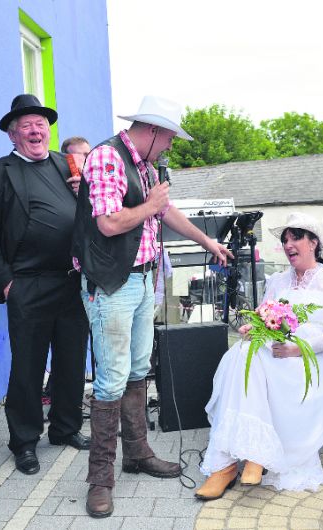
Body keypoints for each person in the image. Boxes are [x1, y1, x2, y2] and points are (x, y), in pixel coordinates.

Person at [72, 95, 233, 518]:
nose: (171, 148)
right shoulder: (107, 157)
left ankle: (138, 452)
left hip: (143, 278)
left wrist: (206, 241)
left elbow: (163, 213)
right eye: (169, 140)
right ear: (153, 132)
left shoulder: (143, 164)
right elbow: (108, 223)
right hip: (112, 282)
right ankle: (99, 480)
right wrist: (150, 206)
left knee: (139, 368)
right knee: (110, 380)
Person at [195, 212, 323, 499]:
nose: (288, 245)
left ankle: (238, 462)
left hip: (312, 361)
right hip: (274, 353)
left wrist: (297, 350)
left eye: (295, 238)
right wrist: (254, 327)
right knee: (242, 352)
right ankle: (232, 462)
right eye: (285, 240)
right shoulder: (277, 281)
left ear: (314, 243)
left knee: (251, 360)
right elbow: (266, 319)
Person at [0, 94, 90, 476]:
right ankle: (24, 441)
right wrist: (5, 283)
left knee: (71, 360)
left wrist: (81, 195)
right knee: (27, 367)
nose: (37, 130)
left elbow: (90, 213)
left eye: (42, 124)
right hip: (27, 283)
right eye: (27, 125)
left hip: (71, 279)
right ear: (12, 133)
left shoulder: (65, 164)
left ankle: (65, 427)